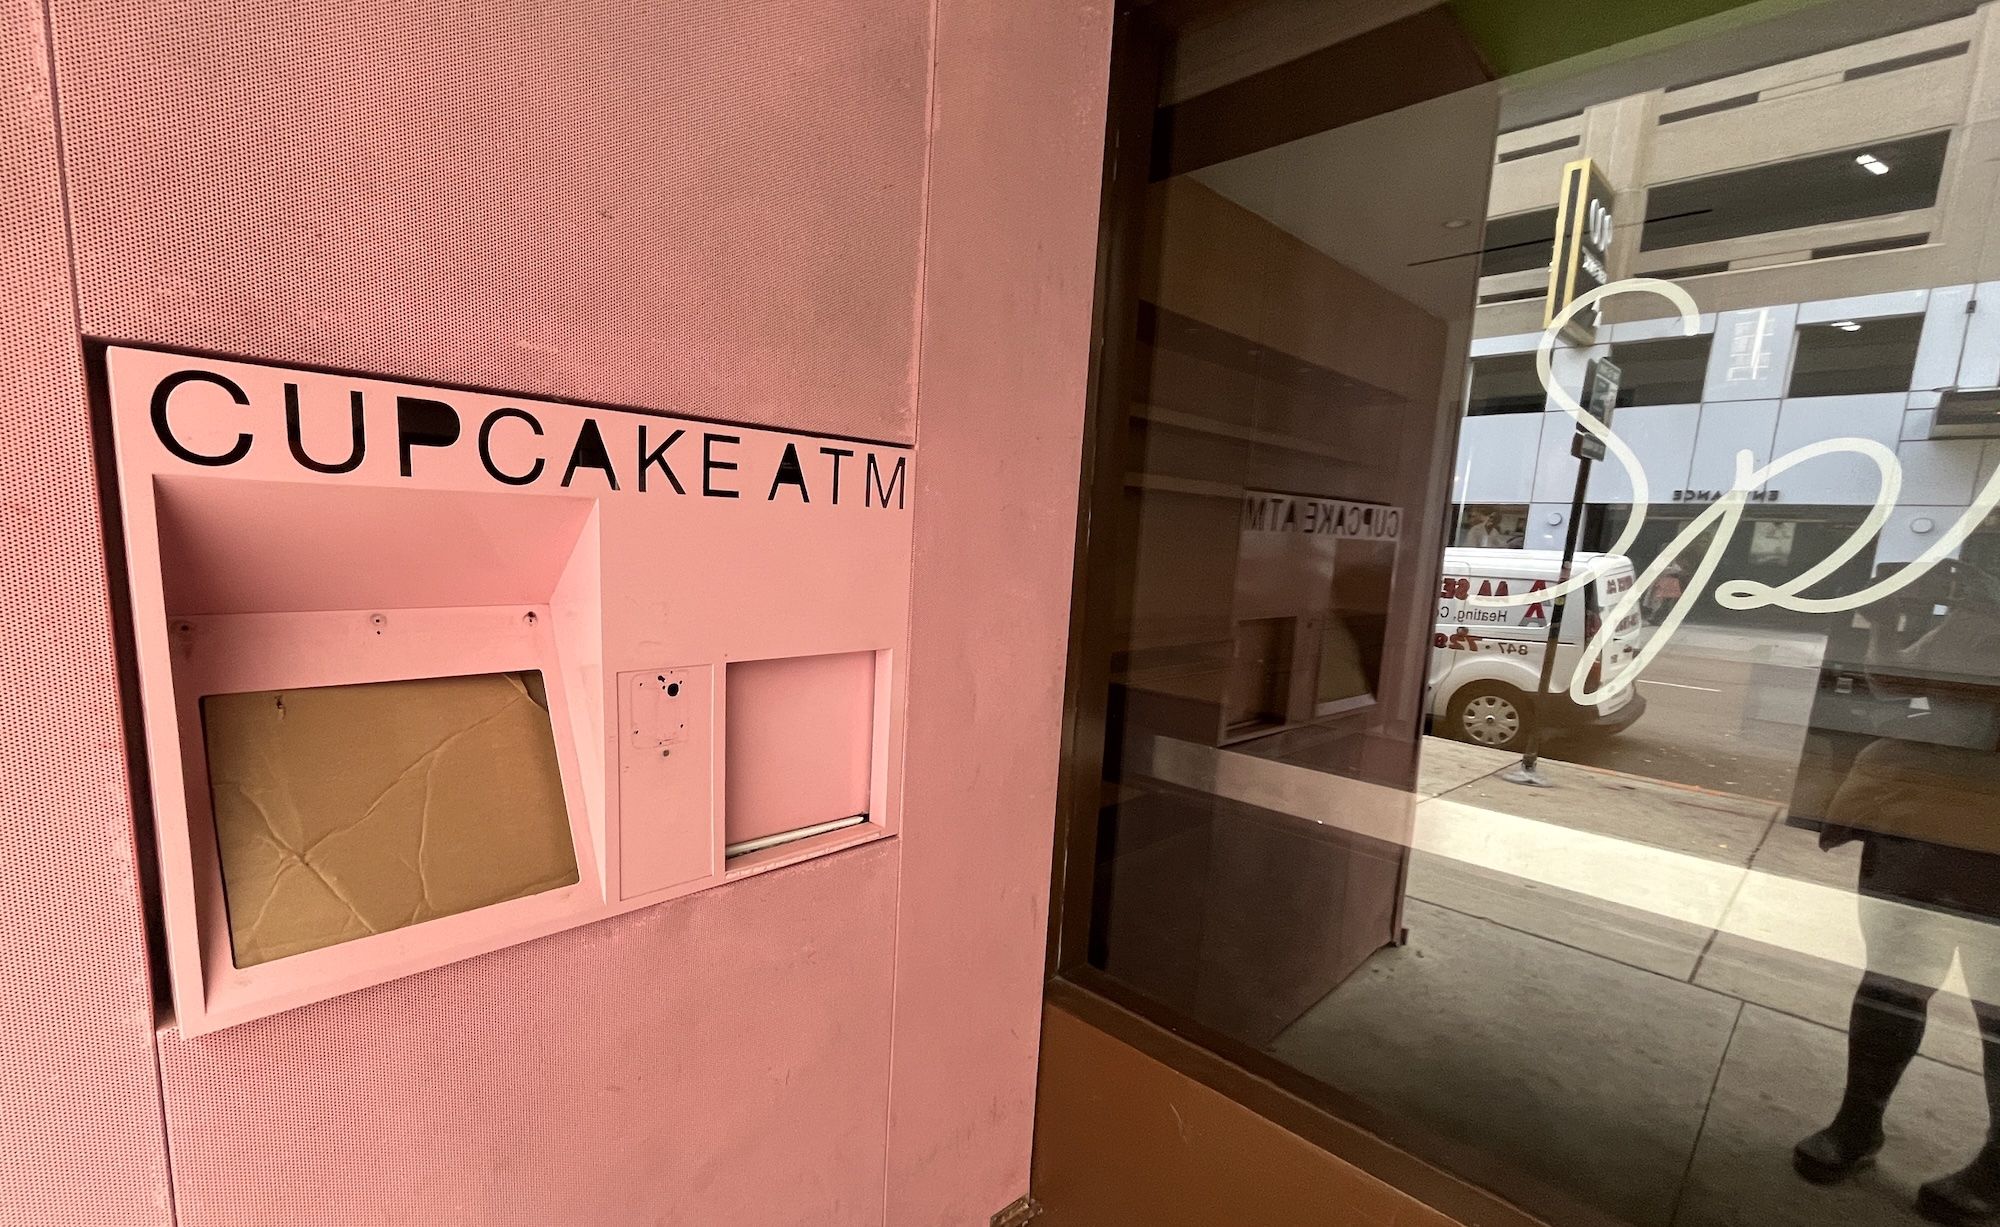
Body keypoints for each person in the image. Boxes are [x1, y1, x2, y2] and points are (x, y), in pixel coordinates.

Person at [1794, 562, 2000, 1225]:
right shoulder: (1974, 618)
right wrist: (1884, 625)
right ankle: (1859, 1122)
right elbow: (1900, 681)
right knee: (1891, 981)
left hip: (1978, 829)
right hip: (1924, 817)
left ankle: (1998, 1162)